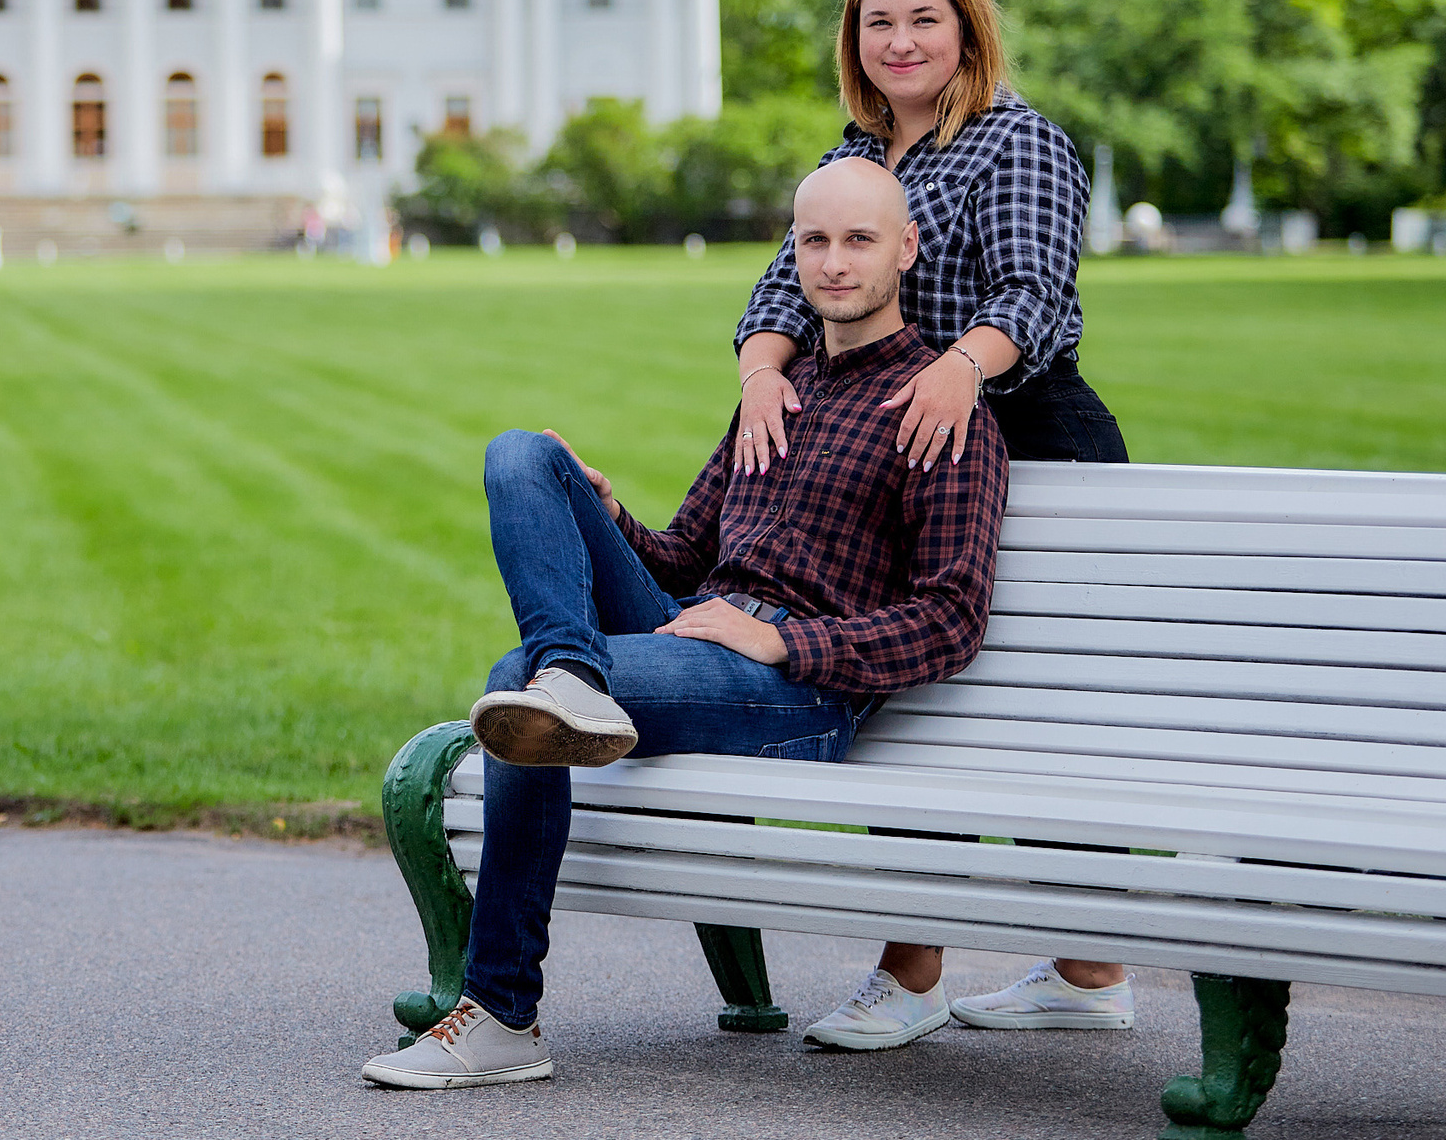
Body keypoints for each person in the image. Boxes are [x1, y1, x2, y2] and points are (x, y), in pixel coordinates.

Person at [362, 157, 1007, 1090]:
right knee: (525, 455)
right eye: (814, 240)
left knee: (522, 680)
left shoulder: (940, 410)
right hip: (696, 635)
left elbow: (951, 618)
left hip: (800, 690)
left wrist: (785, 640)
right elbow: (675, 557)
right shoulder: (776, 392)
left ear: (905, 248)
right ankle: (570, 679)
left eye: (859, 239)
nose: (833, 261)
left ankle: (502, 1011)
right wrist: (608, 511)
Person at [731, 0, 1133, 1051]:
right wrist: (763, 370)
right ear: (855, 41)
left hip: (1031, 445)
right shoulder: (859, 148)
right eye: (879, 21)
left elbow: (1035, 292)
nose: (901, 41)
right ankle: (951, 968)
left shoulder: (1019, 143)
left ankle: (1067, 969)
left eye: (924, 19)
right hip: (901, 466)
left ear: (966, 30)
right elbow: (781, 280)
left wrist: (962, 362)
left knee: (1041, 718)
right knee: (920, 707)